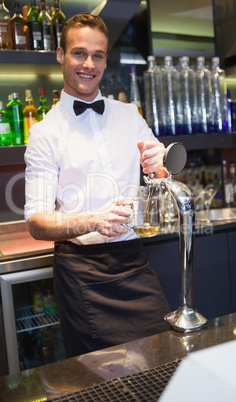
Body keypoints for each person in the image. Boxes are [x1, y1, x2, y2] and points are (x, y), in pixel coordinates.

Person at [24, 12, 170, 358]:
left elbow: (160, 179)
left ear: (106, 58)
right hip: (82, 271)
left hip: (134, 262)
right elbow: (36, 221)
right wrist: (92, 220)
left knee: (163, 358)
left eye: (98, 55)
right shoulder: (44, 133)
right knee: (103, 380)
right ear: (61, 55)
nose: (89, 64)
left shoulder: (129, 115)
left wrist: (161, 167)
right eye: (79, 53)